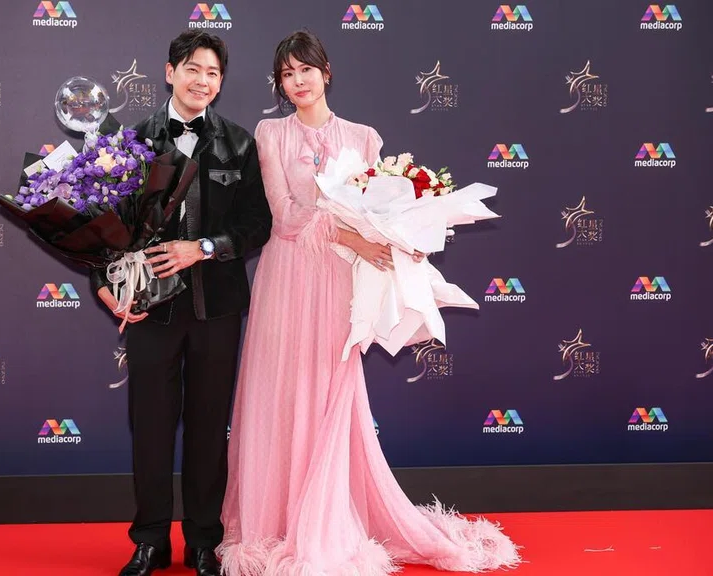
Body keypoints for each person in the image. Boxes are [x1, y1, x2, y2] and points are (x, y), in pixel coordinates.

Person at [218, 30, 521, 575]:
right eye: (287, 74)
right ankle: (274, 520)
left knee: (331, 388)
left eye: (305, 69)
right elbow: (282, 215)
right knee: (279, 388)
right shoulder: (270, 133)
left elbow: (382, 210)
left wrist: (394, 238)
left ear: (326, 72)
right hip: (287, 276)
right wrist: (352, 237)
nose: (298, 81)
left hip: (340, 281)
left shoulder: (363, 138)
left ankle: (326, 518)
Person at [91, 30, 273, 576]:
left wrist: (205, 248)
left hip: (217, 307)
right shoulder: (130, 142)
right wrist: (104, 283)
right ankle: (149, 540)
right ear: (170, 72)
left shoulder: (239, 143)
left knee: (208, 428)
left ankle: (203, 541)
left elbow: (257, 224)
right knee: (149, 427)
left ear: (221, 82)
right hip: (151, 309)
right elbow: (101, 224)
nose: (203, 81)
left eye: (213, 73)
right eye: (193, 69)